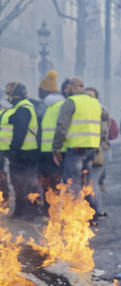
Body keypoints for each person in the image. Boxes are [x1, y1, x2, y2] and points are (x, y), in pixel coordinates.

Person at [52, 77, 101, 209]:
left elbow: (62, 126)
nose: (65, 90)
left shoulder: (71, 102)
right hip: (91, 147)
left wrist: (56, 148)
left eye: (66, 87)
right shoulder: (94, 103)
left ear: (73, 87)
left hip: (76, 147)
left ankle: (75, 212)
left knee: (73, 181)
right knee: (87, 181)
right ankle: (92, 211)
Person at [4, 82, 40, 218]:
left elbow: (19, 134)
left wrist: (13, 151)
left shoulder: (23, 109)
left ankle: (30, 211)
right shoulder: (22, 107)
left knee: (25, 183)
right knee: (20, 183)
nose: (8, 96)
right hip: (25, 153)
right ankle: (21, 210)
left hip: (24, 154)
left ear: (15, 94)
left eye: (9, 93)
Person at [37, 81, 65, 209]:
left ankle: (52, 210)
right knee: (51, 182)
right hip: (53, 150)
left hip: (54, 151)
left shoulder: (54, 107)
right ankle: (50, 209)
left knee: (52, 183)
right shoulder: (51, 108)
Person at [85, 87, 109, 220]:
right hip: (91, 149)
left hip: (97, 150)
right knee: (91, 181)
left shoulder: (100, 110)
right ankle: (98, 209)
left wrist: (97, 148)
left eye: (91, 95)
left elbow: (103, 132)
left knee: (92, 181)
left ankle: (96, 210)